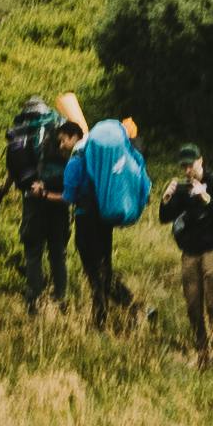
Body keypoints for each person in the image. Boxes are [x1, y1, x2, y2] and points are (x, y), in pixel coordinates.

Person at [0, 95, 82, 314]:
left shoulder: (20, 130)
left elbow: (14, 168)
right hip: (58, 198)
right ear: (45, 109)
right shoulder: (58, 125)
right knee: (57, 251)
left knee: (33, 251)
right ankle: (60, 299)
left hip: (32, 199)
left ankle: (33, 301)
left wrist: (4, 189)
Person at [161, 145, 213, 366]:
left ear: (201, 161)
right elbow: (166, 218)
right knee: (192, 305)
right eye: (184, 166)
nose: (188, 170)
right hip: (190, 252)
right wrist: (166, 199)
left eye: (191, 164)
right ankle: (202, 355)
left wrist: (206, 197)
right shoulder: (183, 188)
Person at [66, 109, 151, 329]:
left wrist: (46, 193)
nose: (61, 145)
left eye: (62, 141)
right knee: (105, 268)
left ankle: (101, 321)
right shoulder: (104, 158)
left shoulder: (78, 158)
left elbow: (70, 194)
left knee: (94, 272)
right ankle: (136, 308)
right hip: (104, 218)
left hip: (86, 220)